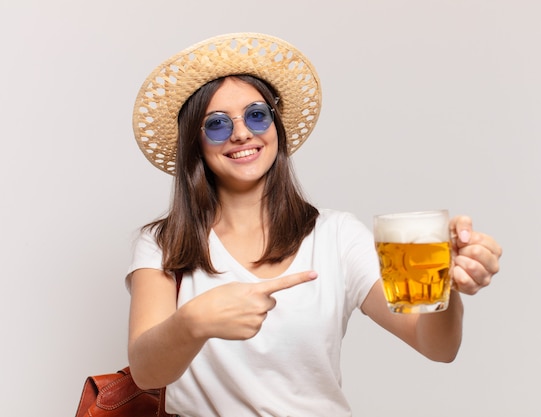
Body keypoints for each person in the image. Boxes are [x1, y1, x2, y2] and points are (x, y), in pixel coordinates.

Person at [126, 32, 502, 417]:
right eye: (218, 124)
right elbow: (145, 372)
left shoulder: (337, 235)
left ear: (276, 126)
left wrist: (447, 282)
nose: (242, 133)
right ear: (196, 142)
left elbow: (437, 347)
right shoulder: (163, 242)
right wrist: (193, 322)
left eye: (257, 115)